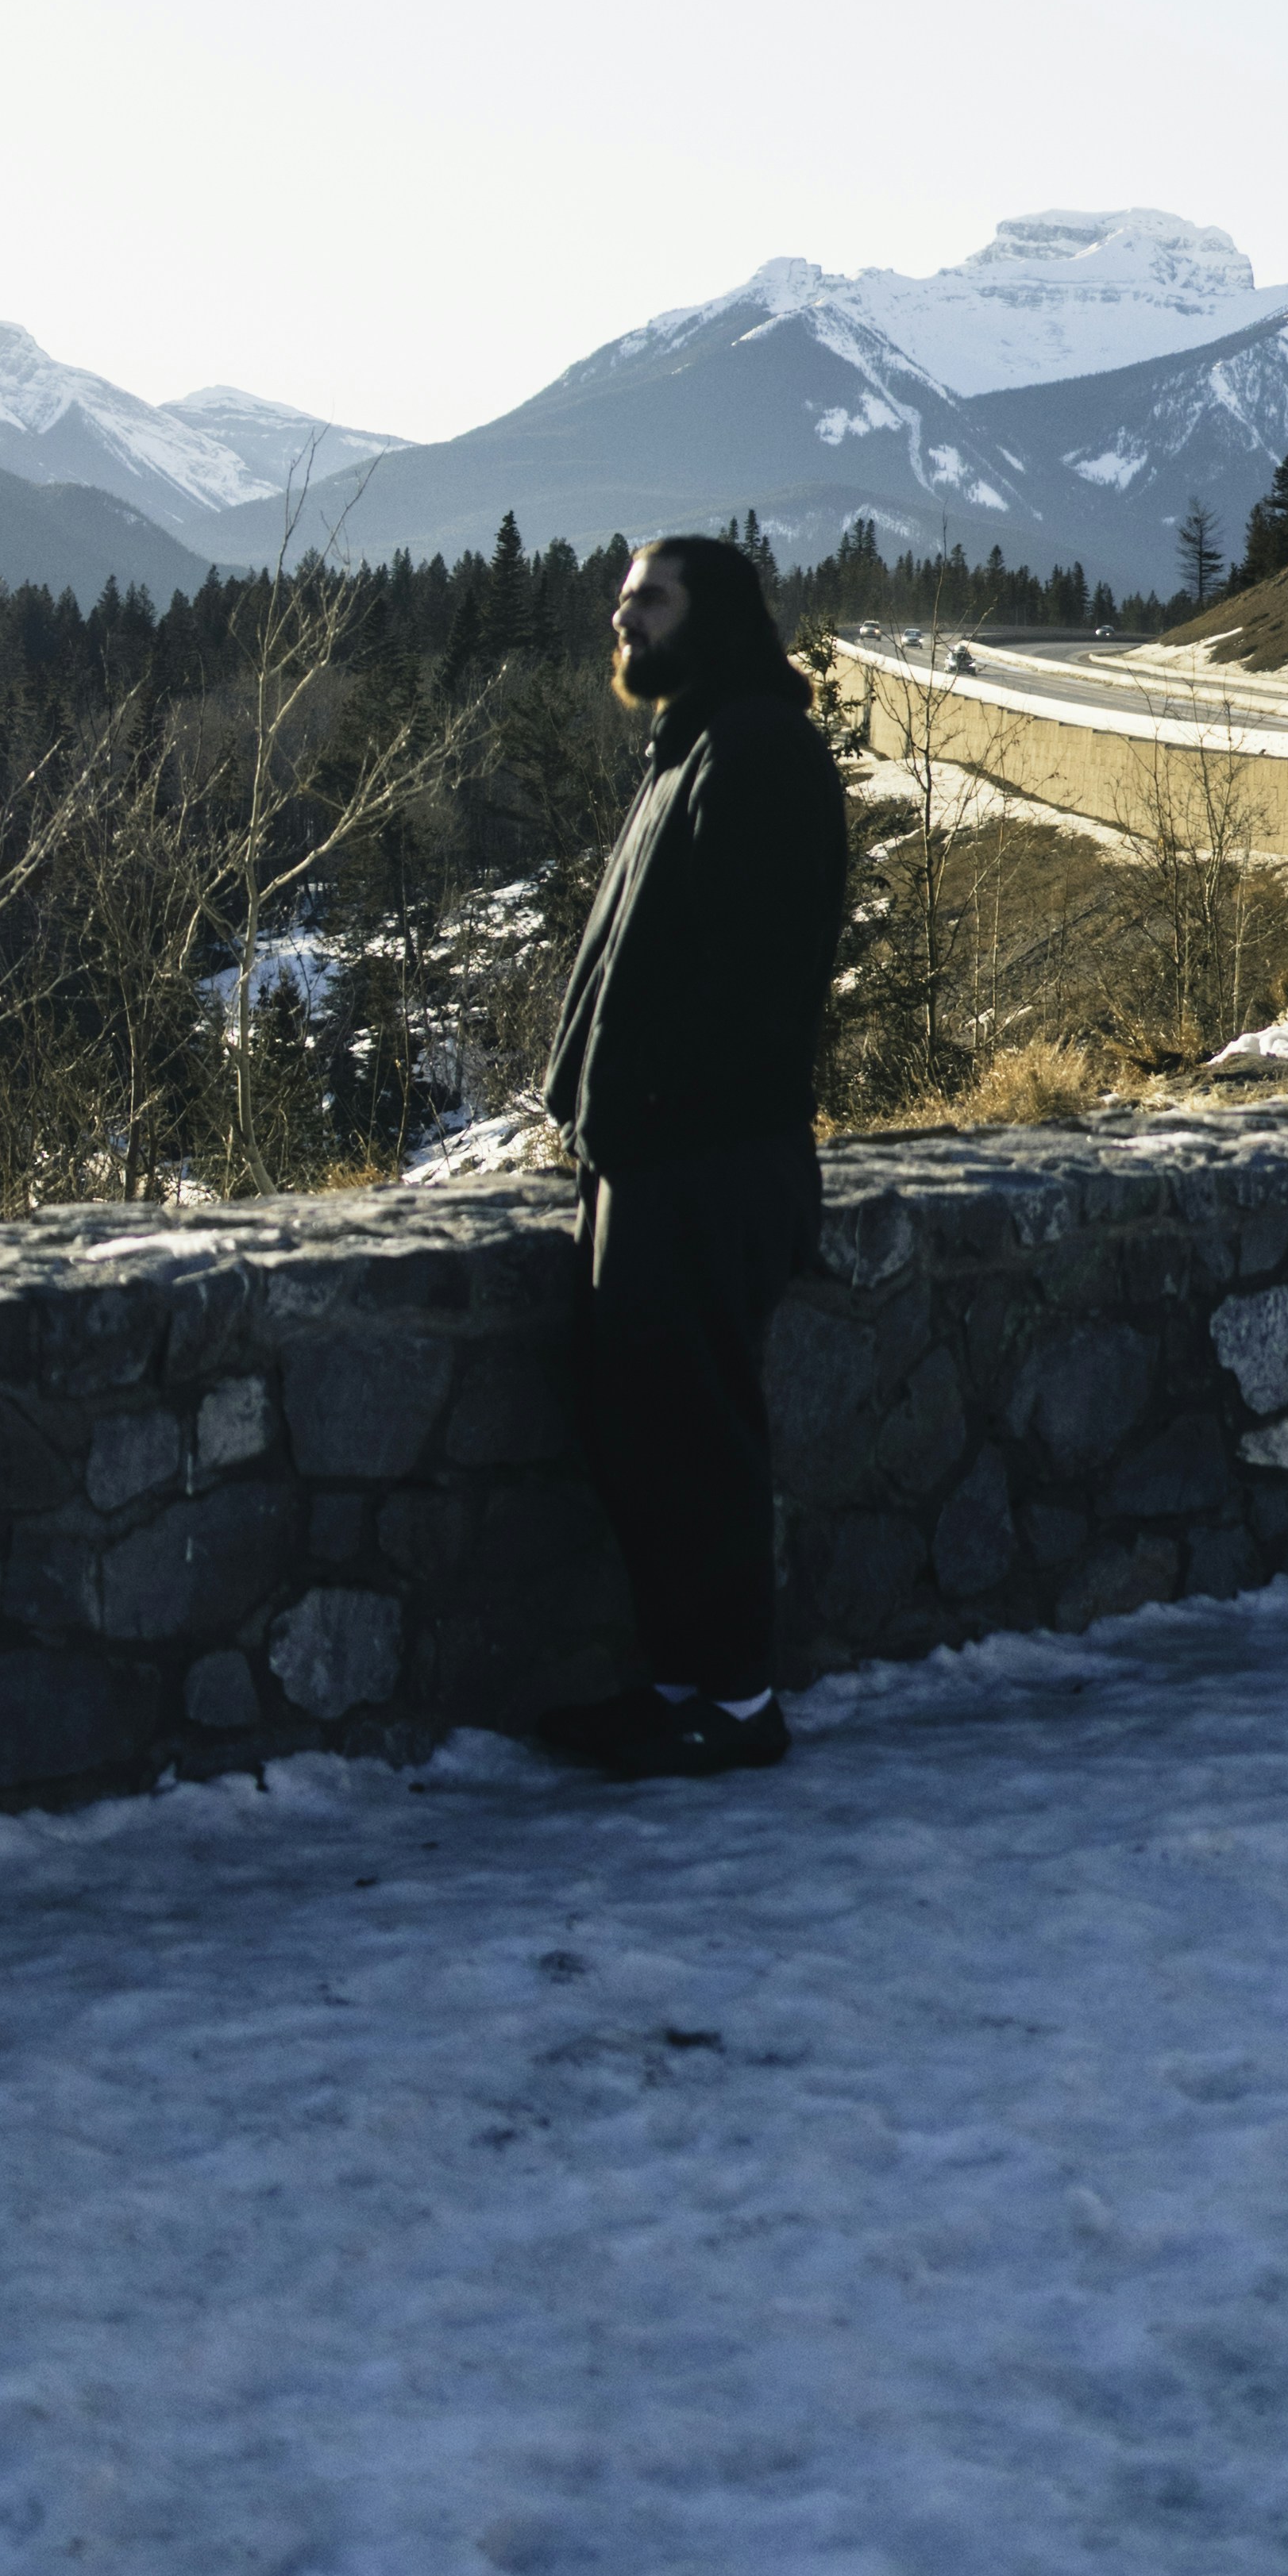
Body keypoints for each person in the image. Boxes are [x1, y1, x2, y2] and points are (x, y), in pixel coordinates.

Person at [531, 530, 850, 1781]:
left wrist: (653, 1119)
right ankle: (679, 1685)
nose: (627, 622)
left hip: (708, 1162)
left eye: (650, 601)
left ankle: (735, 1701)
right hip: (652, 1157)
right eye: (622, 604)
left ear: (713, 614)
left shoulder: (760, 751)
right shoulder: (693, 747)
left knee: (700, 1437)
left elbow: (753, 981)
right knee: (646, 1432)